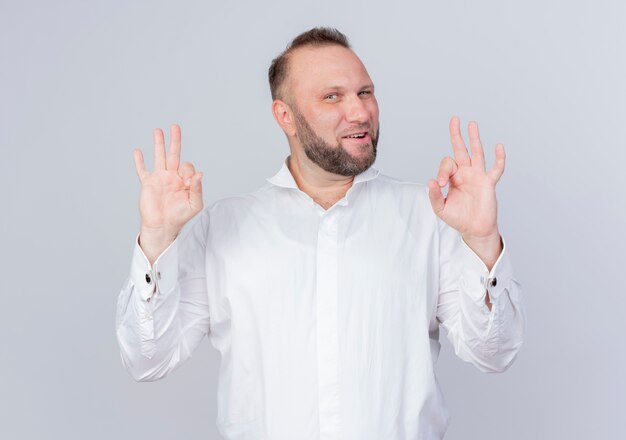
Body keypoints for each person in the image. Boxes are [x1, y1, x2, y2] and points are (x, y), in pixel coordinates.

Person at [116, 27, 525, 440]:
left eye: (365, 93)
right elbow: (148, 360)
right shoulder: (224, 228)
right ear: (285, 116)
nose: (360, 112)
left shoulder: (431, 215)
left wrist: (482, 241)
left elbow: (494, 353)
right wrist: (157, 238)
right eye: (333, 97)